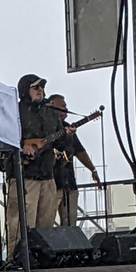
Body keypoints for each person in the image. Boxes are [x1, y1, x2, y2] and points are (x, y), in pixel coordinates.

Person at [8, 75, 65, 252]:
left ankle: (42, 261)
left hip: (48, 175)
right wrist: (22, 146)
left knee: (46, 226)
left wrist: (67, 134)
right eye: (35, 87)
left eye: (41, 86)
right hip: (24, 177)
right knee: (21, 225)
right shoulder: (14, 112)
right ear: (25, 91)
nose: (40, 89)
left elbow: (61, 144)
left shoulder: (50, 113)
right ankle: (16, 260)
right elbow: (4, 138)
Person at [45, 94, 99, 227]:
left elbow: (79, 151)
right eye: (63, 105)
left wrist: (93, 169)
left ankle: (68, 248)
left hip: (68, 182)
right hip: (49, 182)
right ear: (52, 106)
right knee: (46, 222)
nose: (66, 108)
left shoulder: (67, 127)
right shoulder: (44, 127)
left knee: (70, 223)